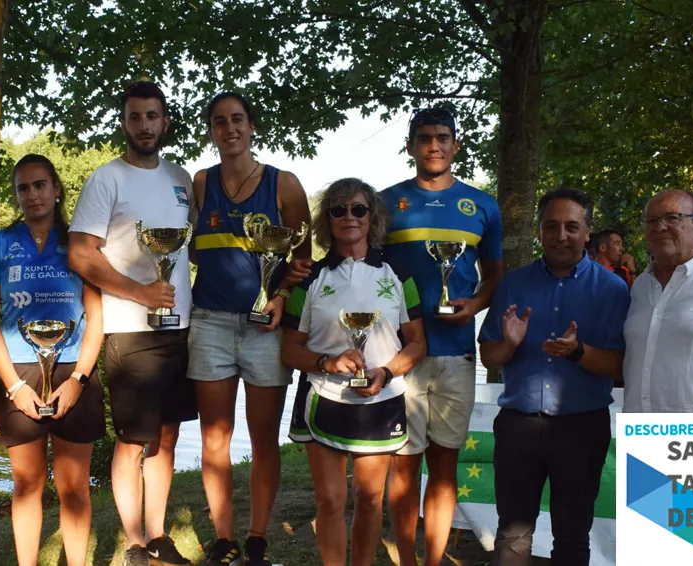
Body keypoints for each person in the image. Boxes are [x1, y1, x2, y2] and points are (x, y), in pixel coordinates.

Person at [67, 81, 198, 566]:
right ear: (124, 122)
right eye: (135, 117)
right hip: (130, 329)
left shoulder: (181, 178)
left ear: (165, 122)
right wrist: (140, 292)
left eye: (152, 116)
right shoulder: (107, 179)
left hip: (180, 328)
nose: (144, 125)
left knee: (167, 435)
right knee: (132, 440)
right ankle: (133, 542)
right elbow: (81, 254)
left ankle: (159, 535)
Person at [187, 91, 312, 566]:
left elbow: (302, 259)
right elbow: (195, 251)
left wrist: (278, 297)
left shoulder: (284, 184)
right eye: (219, 121)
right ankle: (225, 539)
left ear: (252, 126)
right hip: (211, 321)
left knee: (262, 439)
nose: (229, 128)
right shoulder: (202, 183)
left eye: (237, 119)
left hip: (266, 327)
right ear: (212, 130)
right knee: (214, 438)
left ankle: (257, 539)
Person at [380, 107, 504, 566]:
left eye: (443, 137)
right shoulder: (386, 203)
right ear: (411, 145)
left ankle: (433, 561)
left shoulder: (483, 205)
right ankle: (407, 560)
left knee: (445, 466)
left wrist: (474, 304)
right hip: (399, 354)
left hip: (456, 352)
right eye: (425, 137)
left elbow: (493, 276)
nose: (434, 145)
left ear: (455, 145)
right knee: (404, 464)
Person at [280, 179, 426, 566]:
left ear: (372, 216)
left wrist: (386, 373)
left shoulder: (398, 274)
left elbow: (416, 344)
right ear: (327, 219)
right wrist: (326, 362)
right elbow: (289, 349)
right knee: (330, 499)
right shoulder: (309, 277)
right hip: (323, 395)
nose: (349, 217)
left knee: (369, 499)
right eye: (338, 210)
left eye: (358, 209)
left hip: (380, 397)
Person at [479, 188, 629, 565]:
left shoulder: (613, 289)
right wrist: (510, 344)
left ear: (587, 232)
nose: (561, 235)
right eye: (551, 226)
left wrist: (577, 352)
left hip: (582, 429)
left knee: (572, 537)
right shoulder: (513, 284)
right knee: (512, 536)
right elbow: (489, 355)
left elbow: (619, 366)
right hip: (518, 427)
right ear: (539, 231)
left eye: (571, 227)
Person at [0, 154, 105, 566]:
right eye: (23, 188)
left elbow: (97, 317)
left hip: (73, 369)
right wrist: (12, 386)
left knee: (74, 486)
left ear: (56, 189)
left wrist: (79, 379)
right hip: (18, 370)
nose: (33, 195)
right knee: (27, 483)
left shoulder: (79, 242)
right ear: (16, 195)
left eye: (40, 185)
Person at [623, 189, 693, 413]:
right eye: (651, 221)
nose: (659, 227)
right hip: (642, 436)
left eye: (673, 218)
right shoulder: (641, 286)